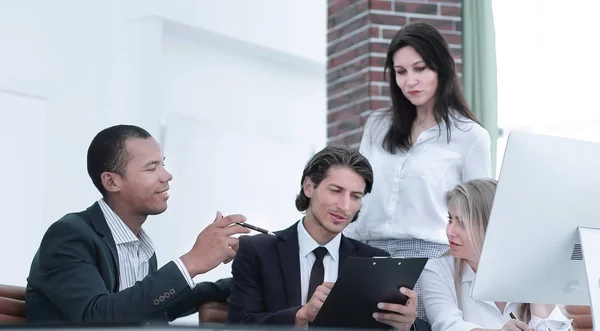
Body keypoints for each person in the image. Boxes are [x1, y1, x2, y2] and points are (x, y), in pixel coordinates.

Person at [25, 125, 250, 325]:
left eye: (163, 164)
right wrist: (191, 261)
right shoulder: (69, 235)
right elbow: (96, 317)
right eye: (151, 168)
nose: (167, 175)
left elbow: (147, 306)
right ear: (112, 181)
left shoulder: (139, 244)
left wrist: (246, 278)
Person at [343, 22, 492, 319]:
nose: (410, 80)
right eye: (401, 72)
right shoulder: (377, 125)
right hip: (365, 254)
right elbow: (358, 192)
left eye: (420, 68)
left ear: (441, 68)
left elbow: (478, 217)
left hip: (428, 262)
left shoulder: (470, 136)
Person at [226, 146, 429, 330]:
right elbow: (238, 325)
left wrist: (408, 325)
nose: (345, 206)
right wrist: (300, 316)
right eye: (336, 191)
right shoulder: (256, 251)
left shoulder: (375, 259)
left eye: (355, 196)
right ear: (308, 187)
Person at [421, 178, 572, 331]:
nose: (450, 231)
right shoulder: (437, 270)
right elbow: (448, 326)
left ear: (491, 225)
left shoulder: (528, 268)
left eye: (462, 223)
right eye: (450, 219)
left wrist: (540, 311)